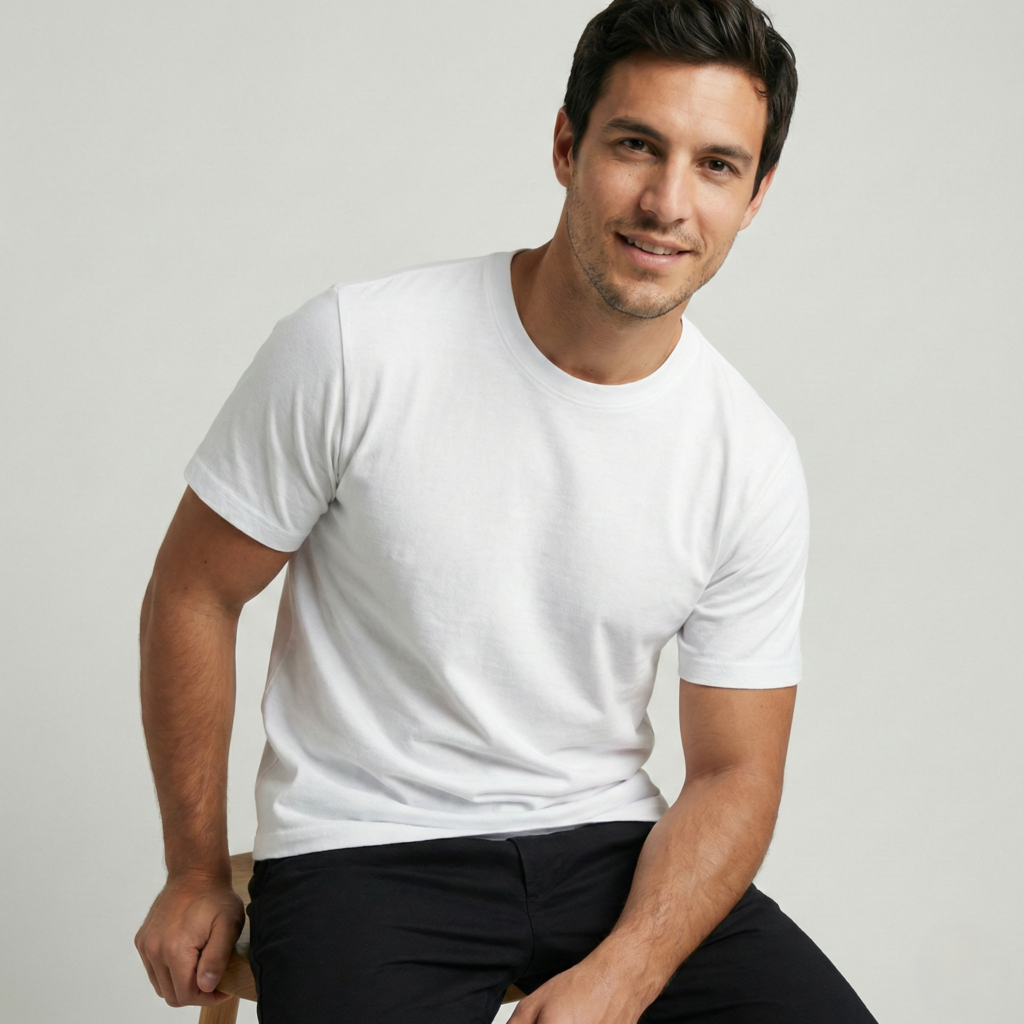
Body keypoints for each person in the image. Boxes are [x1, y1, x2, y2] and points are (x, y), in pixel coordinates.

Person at [135, 1, 877, 1021]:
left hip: (607, 849)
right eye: (635, 145)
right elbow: (193, 592)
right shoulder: (357, 348)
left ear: (754, 196)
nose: (667, 202)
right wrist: (191, 870)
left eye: (716, 165)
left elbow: (734, 772)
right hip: (367, 846)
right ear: (567, 145)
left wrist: (627, 971)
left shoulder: (747, 456)